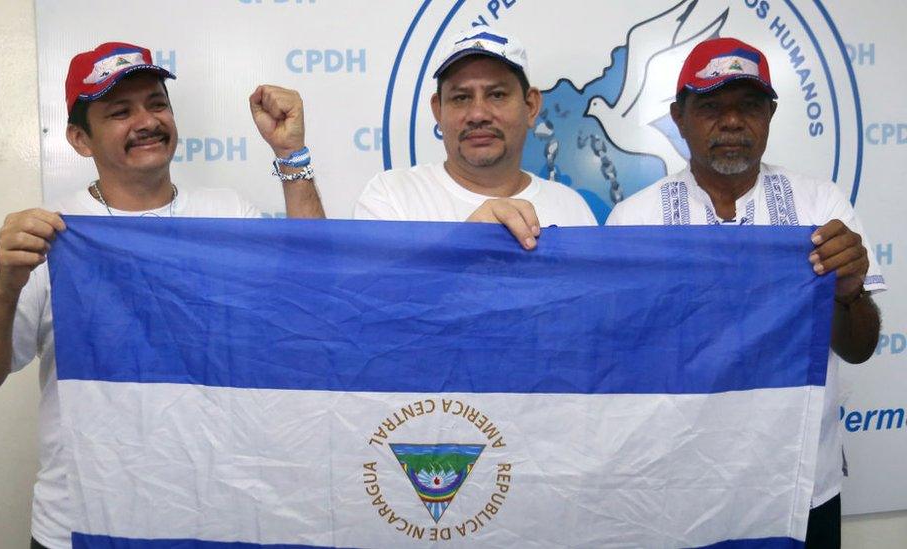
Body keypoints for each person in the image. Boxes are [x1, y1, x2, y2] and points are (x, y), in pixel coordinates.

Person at [0, 42, 323, 549]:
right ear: (80, 139)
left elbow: (316, 296)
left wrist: (290, 155)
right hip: (83, 526)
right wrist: (5, 286)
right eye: (120, 111)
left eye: (156, 103)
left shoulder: (226, 214)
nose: (146, 121)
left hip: (214, 520)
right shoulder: (50, 235)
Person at [606, 37, 885, 548]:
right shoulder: (635, 219)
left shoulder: (820, 204)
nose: (731, 122)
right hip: (677, 487)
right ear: (679, 116)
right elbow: (623, 362)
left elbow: (859, 348)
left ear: (770, 115)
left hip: (799, 484)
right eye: (710, 106)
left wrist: (848, 293)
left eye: (749, 106)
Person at [354, 27, 597, 246]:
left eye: (497, 95)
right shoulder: (391, 197)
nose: (478, 114)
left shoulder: (571, 208)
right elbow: (375, 295)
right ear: (438, 111)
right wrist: (465, 244)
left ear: (531, 106)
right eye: (461, 98)